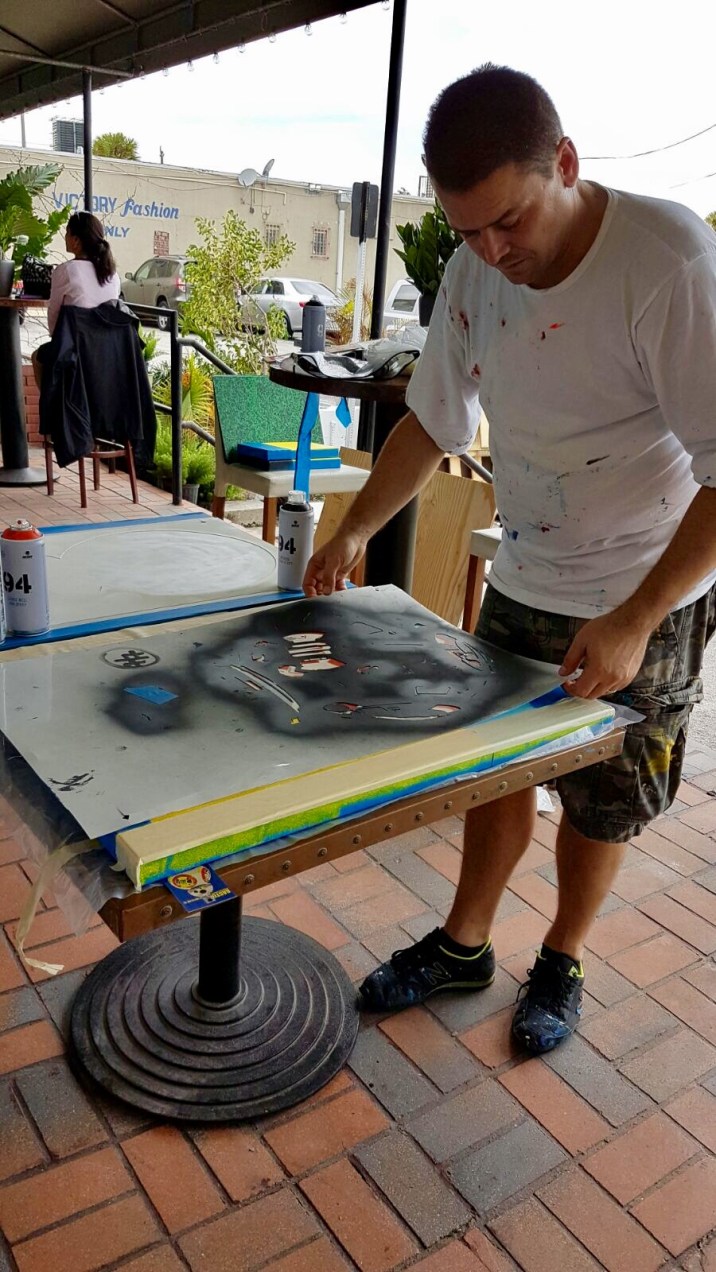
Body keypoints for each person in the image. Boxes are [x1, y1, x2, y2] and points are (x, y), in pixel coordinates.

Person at [303, 64, 716, 1054]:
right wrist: (356, 526)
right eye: (468, 230)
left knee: (602, 799)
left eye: (509, 221)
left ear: (564, 162)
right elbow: (432, 419)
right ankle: (464, 944)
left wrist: (636, 618)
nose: (492, 251)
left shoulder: (667, 262)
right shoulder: (473, 272)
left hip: (643, 583)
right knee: (494, 773)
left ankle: (563, 958)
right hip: (526, 570)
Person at [31, 210, 120, 388]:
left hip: (74, 350)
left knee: (37, 357)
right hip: (108, 352)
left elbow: (54, 316)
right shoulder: (113, 275)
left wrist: (56, 339)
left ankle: (51, 403)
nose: (65, 237)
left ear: (76, 241)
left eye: (67, 233)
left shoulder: (66, 271)